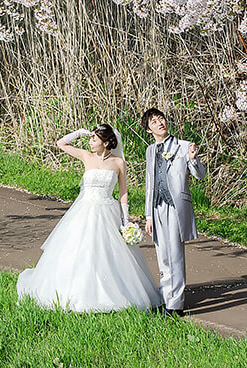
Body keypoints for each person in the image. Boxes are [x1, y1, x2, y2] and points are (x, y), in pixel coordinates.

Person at [17, 124, 163, 313]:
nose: (90, 141)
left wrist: (126, 220)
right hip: (85, 210)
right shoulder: (86, 156)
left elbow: (123, 193)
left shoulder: (119, 163)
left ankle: (113, 293)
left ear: (107, 142)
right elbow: (61, 143)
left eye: (94, 138)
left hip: (108, 211)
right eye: (90, 138)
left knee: (108, 253)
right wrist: (79, 133)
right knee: (79, 251)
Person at [141, 107, 206, 315]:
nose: (160, 123)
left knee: (175, 254)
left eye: (161, 118)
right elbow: (150, 182)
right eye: (154, 122)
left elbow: (200, 175)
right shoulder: (150, 150)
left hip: (176, 206)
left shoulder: (184, 146)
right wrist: (148, 215)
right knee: (163, 255)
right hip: (157, 207)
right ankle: (165, 297)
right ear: (149, 129)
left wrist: (194, 160)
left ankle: (175, 304)